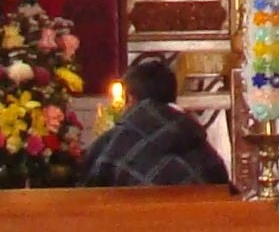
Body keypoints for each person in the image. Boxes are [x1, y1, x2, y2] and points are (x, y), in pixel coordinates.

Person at [79, 53, 231, 187]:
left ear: (130, 99)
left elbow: (88, 191)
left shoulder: (117, 141)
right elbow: (225, 191)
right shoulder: (201, 145)